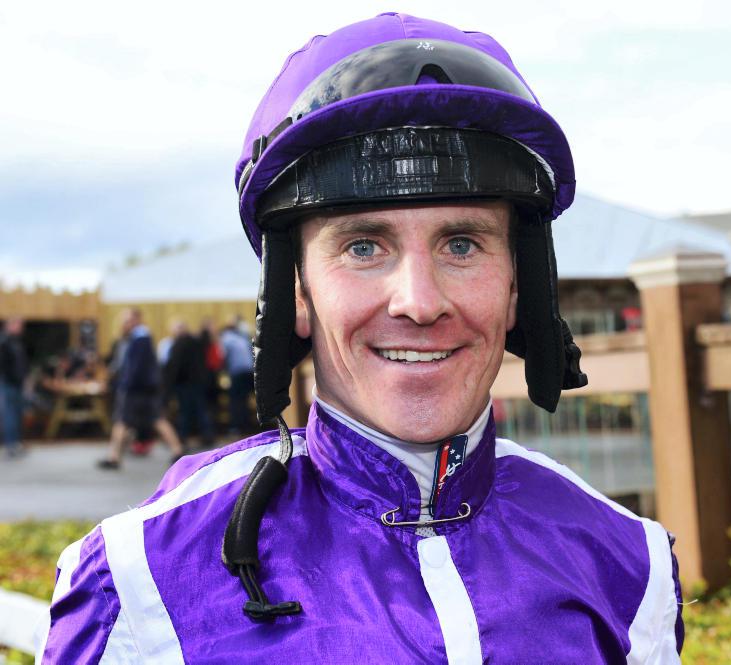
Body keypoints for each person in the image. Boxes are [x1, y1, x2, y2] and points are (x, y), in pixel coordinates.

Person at [40, 14, 683, 663]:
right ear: (296, 292)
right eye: (364, 246)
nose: (420, 302)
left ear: (519, 285)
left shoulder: (630, 564)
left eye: (462, 244)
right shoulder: (140, 581)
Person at [97, 308, 184, 470]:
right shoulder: (140, 338)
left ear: (136, 320)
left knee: (123, 421)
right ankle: (177, 450)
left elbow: (134, 368)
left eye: (127, 320)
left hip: (136, 389)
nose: (124, 324)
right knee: (155, 419)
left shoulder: (140, 338)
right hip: (145, 388)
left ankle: (114, 457)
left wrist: (124, 384)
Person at [220, 316, 254, 433]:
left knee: (237, 400)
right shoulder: (240, 338)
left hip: (239, 372)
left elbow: (222, 356)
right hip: (246, 371)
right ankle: (245, 425)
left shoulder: (227, 338)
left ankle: (238, 426)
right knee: (243, 400)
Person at [0, 317, 27, 457]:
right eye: (18, 324)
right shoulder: (4, 341)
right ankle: (10, 445)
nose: (21, 327)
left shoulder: (16, 341)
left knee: (17, 414)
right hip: (8, 382)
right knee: (10, 414)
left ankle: (16, 443)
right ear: (10, 325)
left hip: (17, 383)